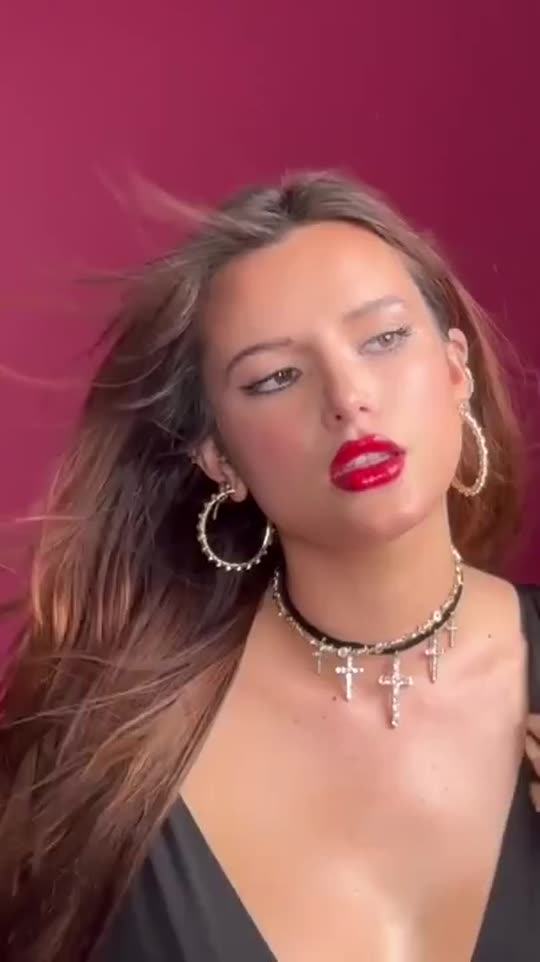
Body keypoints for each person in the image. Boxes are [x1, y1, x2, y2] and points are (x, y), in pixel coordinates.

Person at [1, 171, 539, 962]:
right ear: (219, 457)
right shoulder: (103, 743)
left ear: (455, 370)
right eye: (276, 377)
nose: (348, 396)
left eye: (384, 339)